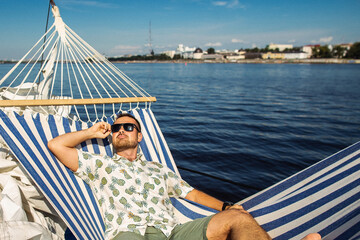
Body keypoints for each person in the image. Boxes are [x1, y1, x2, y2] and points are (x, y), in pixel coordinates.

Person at [48, 113, 321, 240]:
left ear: (139, 135)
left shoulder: (159, 169)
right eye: (117, 127)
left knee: (239, 218)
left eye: (128, 127)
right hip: (127, 234)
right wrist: (92, 133)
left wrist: (226, 207)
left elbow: (191, 193)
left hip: (173, 233)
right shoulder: (100, 166)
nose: (121, 130)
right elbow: (56, 145)